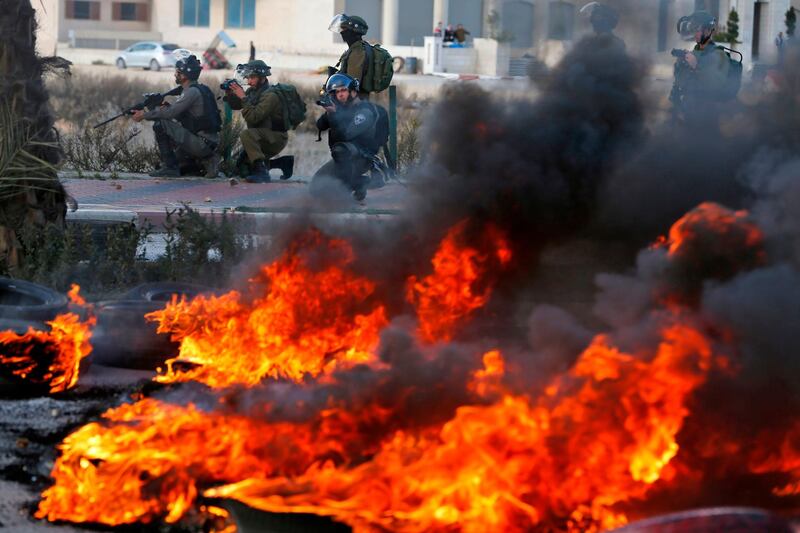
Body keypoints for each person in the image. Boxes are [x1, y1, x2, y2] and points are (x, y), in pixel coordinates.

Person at [131, 53, 221, 178]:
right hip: (207, 141)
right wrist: (164, 107)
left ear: (184, 75)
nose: (175, 74)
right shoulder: (200, 89)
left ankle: (170, 168)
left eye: (178, 72)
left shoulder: (191, 92)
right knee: (181, 165)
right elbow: (185, 117)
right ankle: (207, 161)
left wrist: (144, 115)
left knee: (161, 124)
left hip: (201, 143)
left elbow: (170, 113)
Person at [313, 74, 388, 202]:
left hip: (361, 158)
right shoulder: (342, 109)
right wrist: (330, 112)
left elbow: (345, 135)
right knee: (316, 186)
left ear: (353, 91)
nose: (340, 95)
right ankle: (359, 183)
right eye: (336, 92)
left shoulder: (365, 112)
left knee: (341, 150)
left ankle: (352, 187)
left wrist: (335, 114)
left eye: (343, 90)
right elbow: (320, 125)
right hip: (345, 159)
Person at [223, 59, 294, 182]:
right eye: (248, 78)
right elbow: (237, 105)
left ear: (262, 77)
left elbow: (253, 117)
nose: (249, 82)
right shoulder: (253, 91)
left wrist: (243, 97)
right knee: (243, 169)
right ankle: (282, 163)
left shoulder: (271, 95)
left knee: (246, 134)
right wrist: (230, 93)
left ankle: (262, 174)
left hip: (276, 137)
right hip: (261, 136)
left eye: (252, 78)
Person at [669, 10, 732, 129]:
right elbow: (682, 81)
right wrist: (680, 66)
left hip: (706, 117)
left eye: (697, 29)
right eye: (693, 29)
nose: (695, 33)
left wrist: (696, 66)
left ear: (708, 31)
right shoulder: (695, 52)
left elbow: (715, 85)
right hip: (688, 111)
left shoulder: (719, 55)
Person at [329, 13, 371, 100]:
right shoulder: (356, 49)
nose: (341, 32)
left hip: (354, 102)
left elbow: (352, 83)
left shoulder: (357, 52)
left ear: (353, 31)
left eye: (344, 29)